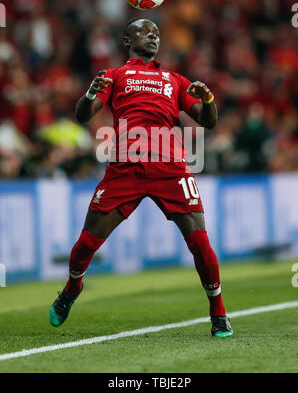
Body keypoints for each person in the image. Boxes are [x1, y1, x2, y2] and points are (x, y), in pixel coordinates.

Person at [49, 19, 233, 337]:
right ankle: (71, 288)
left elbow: (208, 122)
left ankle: (218, 313)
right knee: (86, 243)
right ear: (126, 40)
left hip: (170, 167)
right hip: (125, 166)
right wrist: (89, 93)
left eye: (157, 33)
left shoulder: (173, 79)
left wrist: (209, 100)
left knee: (200, 243)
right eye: (145, 32)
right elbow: (84, 114)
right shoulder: (114, 75)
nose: (153, 37)